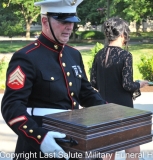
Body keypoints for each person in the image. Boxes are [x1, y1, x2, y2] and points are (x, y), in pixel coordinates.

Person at [1, 0, 106, 159]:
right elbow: (12, 106)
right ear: (45, 21)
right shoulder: (27, 57)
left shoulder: (73, 54)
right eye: (63, 21)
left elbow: (86, 93)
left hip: (73, 139)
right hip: (40, 143)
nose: (69, 26)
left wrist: (111, 112)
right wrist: (39, 137)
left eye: (72, 21)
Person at [90, 17, 149, 160]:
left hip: (103, 105)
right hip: (123, 107)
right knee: (132, 143)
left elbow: (93, 82)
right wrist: (139, 84)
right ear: (123, 34)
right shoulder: (125, 55)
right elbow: (127, 84)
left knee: (108, 146)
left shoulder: (99, 54)